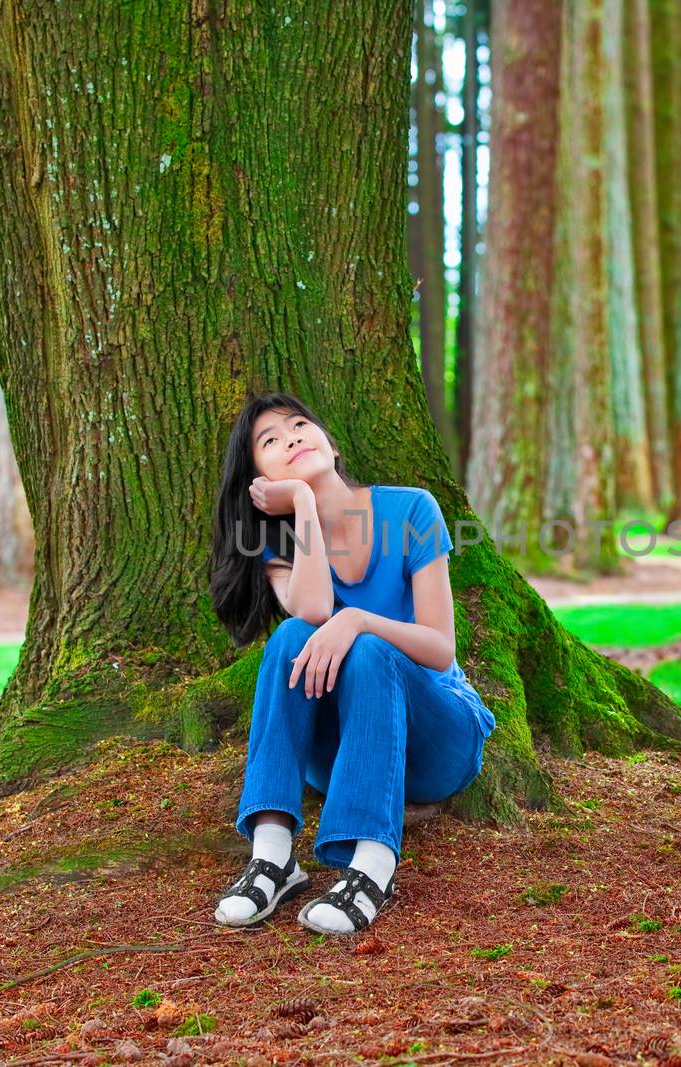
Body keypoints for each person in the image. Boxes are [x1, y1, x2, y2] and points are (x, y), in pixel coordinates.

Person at [205, 392, 496, 934]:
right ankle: (272, 856)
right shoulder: (277, 547)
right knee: (294, 633)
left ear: (332, 445)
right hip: (342, 753)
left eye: (298, 425)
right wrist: (306, 506)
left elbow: (440, 647)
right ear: (259, 481)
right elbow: (314, 610)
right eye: (270, 441)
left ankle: (373, 865)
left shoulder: (410, 509)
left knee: (368, 648)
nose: (291, 437)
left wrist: (358, 620)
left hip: (437, 737)